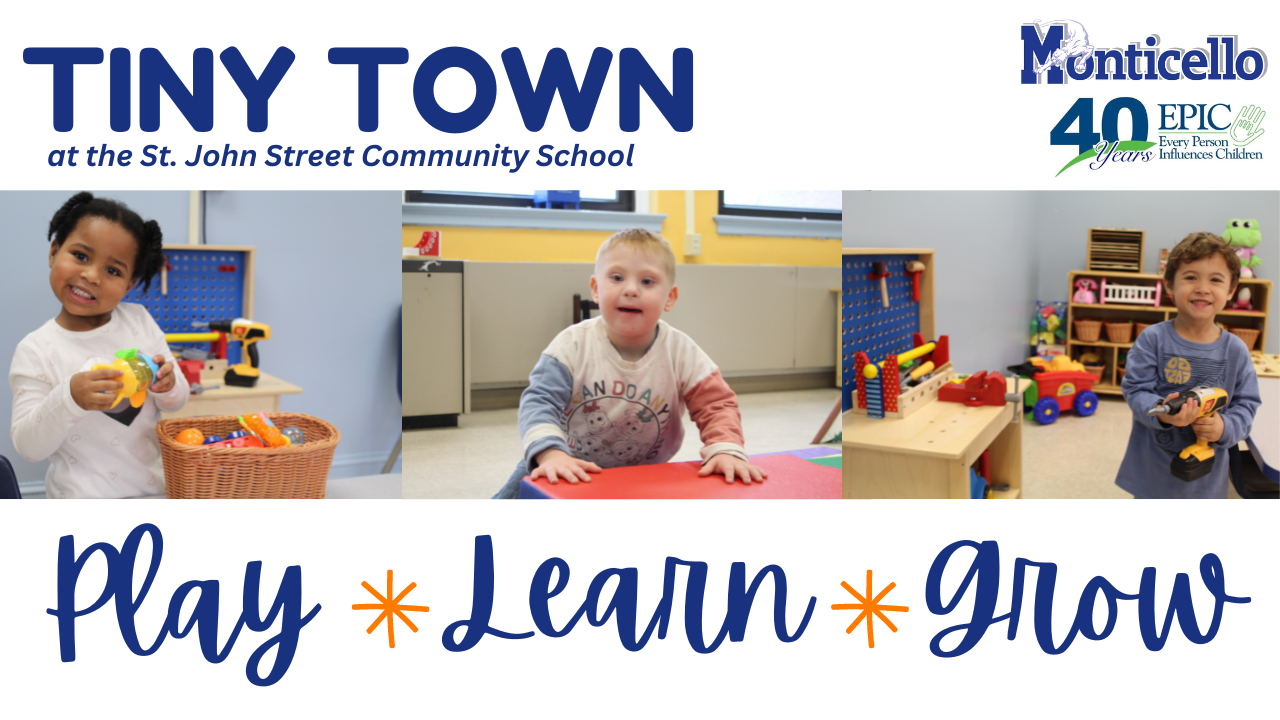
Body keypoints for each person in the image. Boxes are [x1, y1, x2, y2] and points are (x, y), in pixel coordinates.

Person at [494, 228, 767, 498]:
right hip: (568, 465)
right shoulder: (572, 345)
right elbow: (539, 401)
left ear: (670, 297)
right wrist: (550, 454)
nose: (631, 290)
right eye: (616, 277)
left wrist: (725, 448)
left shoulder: (681, 351)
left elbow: (716, 404)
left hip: (645, 474)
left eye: (647, 282)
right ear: (596, 289)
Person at [9, 192, 189, 498]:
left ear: (130, 284)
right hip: (82, 499)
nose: (91, 276)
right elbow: (28, 447)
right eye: (80, 255)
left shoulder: (139, 320)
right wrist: (70, 398)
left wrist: (169, 385)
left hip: (155, 492)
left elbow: (177, 400)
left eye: (113, 271)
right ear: (54, 252)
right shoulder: (36, 350)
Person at [1117, 232, 1261, 498]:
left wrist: (1224, 427)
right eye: (1191, 277)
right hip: (1153, 472)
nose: (1202, 288)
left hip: (1205, 478)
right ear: (1169, 284)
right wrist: (1161, 412)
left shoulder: (1236, 350)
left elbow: (1247, 404)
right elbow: (1136, 390)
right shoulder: (1153, 339)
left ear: (1230, 290)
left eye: (1215, 280)